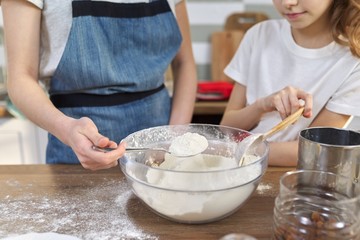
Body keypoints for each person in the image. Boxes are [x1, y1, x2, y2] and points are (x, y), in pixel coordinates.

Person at [1, 0, 197, 170]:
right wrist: (68, 130)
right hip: (75, 154)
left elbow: (184, 63)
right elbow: (20, 79)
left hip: (161, 146)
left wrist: (174, 139)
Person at [220, 0, 360, 166]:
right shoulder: (259, 34)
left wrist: (229, 150)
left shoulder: (353, 56)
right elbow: (226, 128)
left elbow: (315, 150)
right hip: (240, 168)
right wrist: (262, 105)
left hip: (297, 177)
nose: (288, 2)